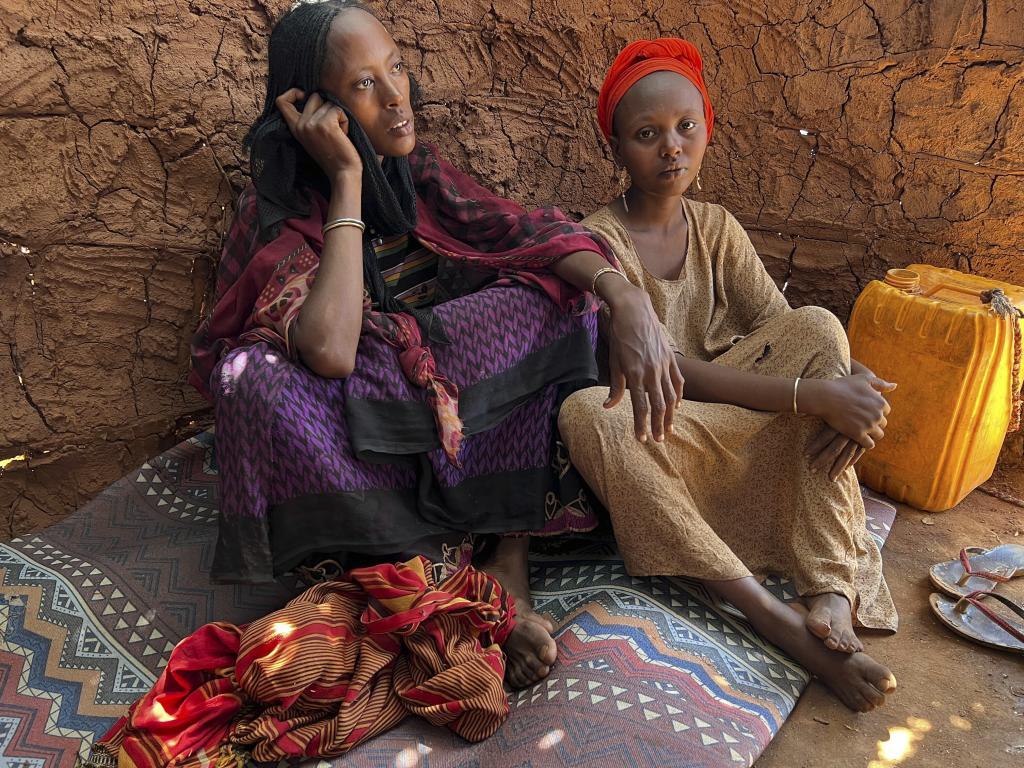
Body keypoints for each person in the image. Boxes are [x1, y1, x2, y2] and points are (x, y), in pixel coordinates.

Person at [189, 1, 680, 689]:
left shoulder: (416, 171)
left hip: (445, 411)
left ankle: (509, 550)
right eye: (364, 84)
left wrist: (623, 294)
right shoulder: (275, 210)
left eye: (395, 69)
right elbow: (330, 352)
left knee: (558, 296)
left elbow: (520, 230)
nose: (396, 98)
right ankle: (447, 584)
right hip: (359, 436)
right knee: (251, 382)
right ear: (312, 110)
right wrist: (346, 182)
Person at [559, 38, 899, 712]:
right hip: (667, 439)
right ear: (617, 149)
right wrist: (816, 395)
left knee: (820, 324)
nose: (672, 149)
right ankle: (770, 618)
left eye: (687, 128)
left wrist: (850, 384)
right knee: (586, 413)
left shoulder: (716, 227)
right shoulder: (599, 241)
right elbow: (662, 370)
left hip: (742, 433)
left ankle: (827, 583)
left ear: (708, 129)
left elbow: (786, 331)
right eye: (647, 135)